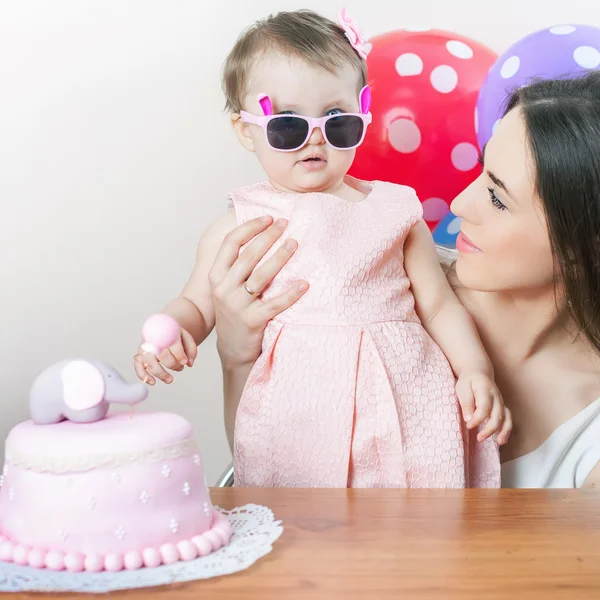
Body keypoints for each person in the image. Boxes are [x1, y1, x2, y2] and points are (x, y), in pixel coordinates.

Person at [134, 8, 510, 488]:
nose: (315, 138)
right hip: (300, 410)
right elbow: (194, 303)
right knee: (304, 519)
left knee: (418, 514)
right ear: (246, 131)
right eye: (287, 125)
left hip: (407, 398)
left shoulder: (396, 211)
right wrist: (172, 335)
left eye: (337, 121)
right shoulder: (239, 224)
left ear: (364, 111)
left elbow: (438, 307)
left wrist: (474, 369)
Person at [204, 69, 600, 489]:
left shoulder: (587, 430)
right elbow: (265, 466)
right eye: (483, 172)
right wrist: (236, 354)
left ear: (585, 249)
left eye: (498, 198)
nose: (460, 202)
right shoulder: (380, 280)